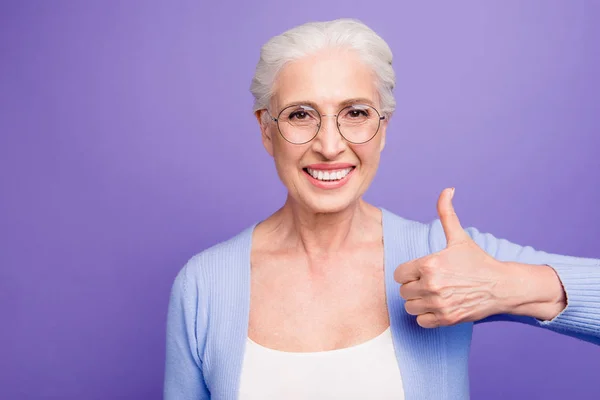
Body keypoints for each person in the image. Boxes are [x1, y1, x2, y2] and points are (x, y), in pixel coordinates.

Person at [163, 18, 600, 400]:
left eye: (355, 113)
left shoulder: (440, 255)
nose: (330, 145)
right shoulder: (205, 284)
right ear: (266, 129)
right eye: (300, 115)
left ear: (383, 128)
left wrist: (506, 285)